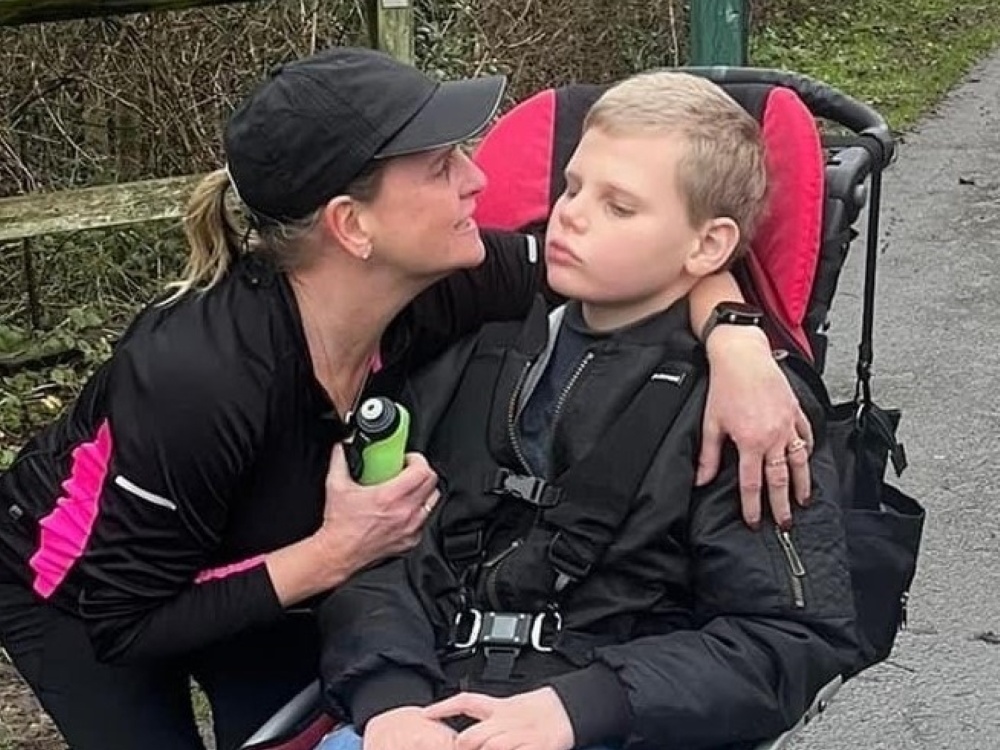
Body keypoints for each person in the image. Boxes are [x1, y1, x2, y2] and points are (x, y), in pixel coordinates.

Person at [0, 49, 809, 750]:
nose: (479, 180)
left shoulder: (442, 278)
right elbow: (125, 620)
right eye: (440, 165)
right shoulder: (196, 376)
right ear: (353, 226)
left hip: (268, 559)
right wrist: (334, 553)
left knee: (308, 720)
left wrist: (738, 338)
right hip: (86, 597)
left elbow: (649, 268)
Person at [316, 71, 858, 750]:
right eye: (571, 187)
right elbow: (383, 553)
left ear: (708, 246)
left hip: (615, 715)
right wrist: (387, 697)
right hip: (421, 705)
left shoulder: (752, 409)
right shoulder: (473, 340)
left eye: (618, 207)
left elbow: (790, 633)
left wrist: (587, 706)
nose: (570, 213)